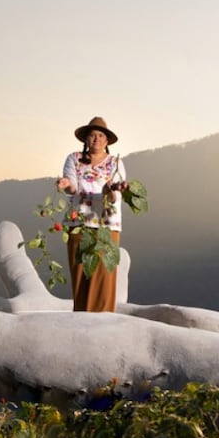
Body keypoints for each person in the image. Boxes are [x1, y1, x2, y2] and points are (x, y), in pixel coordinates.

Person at [56, 116, 128, 311]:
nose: (96, 139)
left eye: (100, 135)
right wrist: (65, 184)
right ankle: (81, 321)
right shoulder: (74, 159)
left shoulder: (115, 163)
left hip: (106, 225)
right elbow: (72, 186)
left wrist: (110, 191)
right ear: (85, 140)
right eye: (92, 135)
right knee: (81, 277)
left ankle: (104, 325)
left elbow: (115, 198)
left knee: (104, 277)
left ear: (106, 140)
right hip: (78, 223)